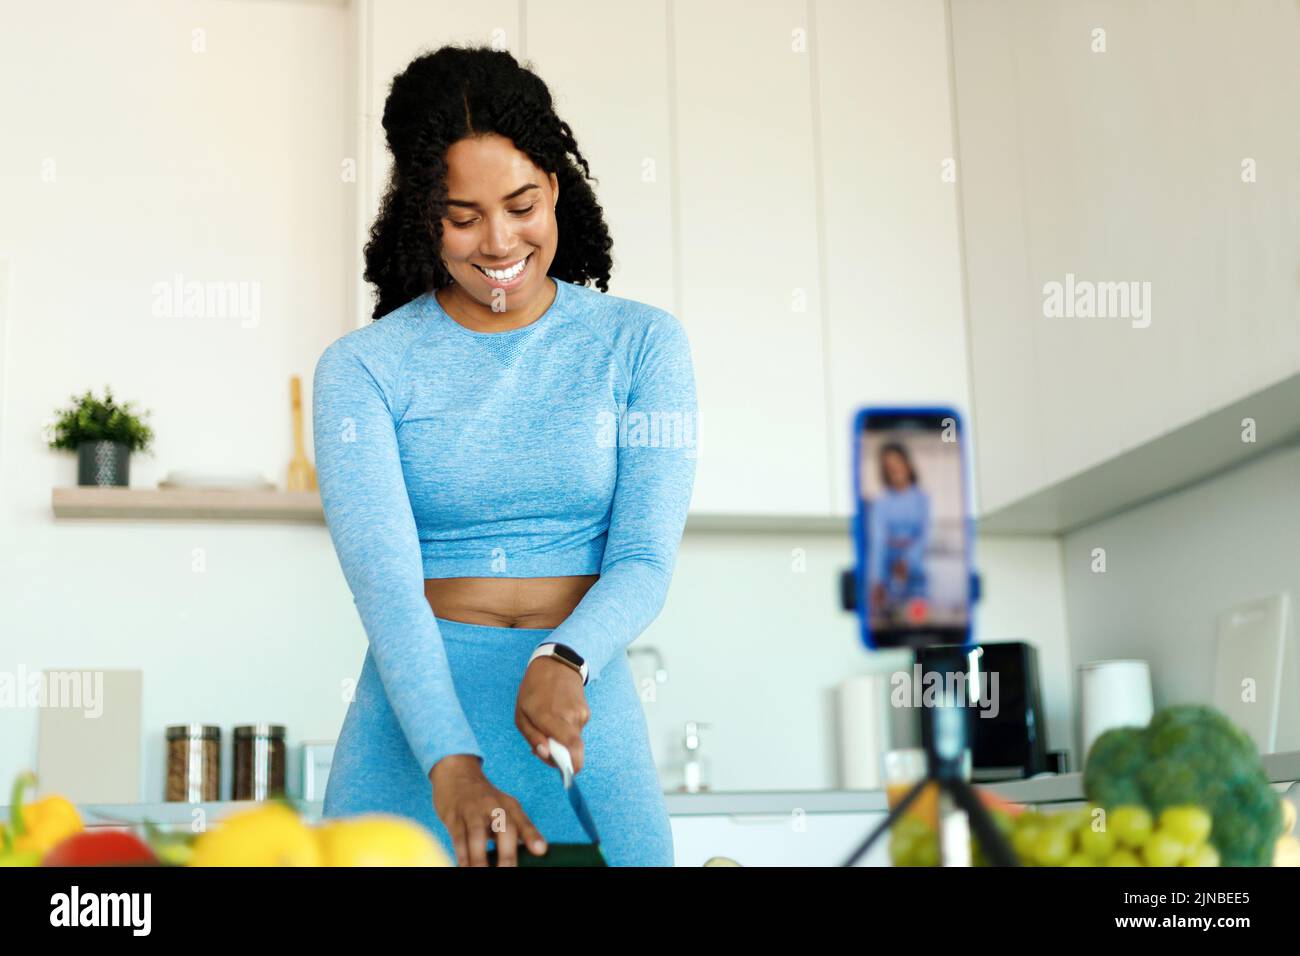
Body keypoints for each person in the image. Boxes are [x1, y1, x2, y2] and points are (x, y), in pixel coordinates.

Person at [312, 45, 697, 867]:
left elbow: (642, 558)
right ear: (425, 215)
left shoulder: (641, 346)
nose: (498, 242)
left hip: (576, 703)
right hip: (414, 729)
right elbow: (387, 592)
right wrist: (453, 767)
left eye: (522, 204)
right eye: (463, 216)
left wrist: (566, 655)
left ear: (556, 188)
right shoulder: (363, 369)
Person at [868, 442, 930, 620]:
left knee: (917, 617)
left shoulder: (922, 499)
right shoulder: (882, 502)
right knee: (889, 616)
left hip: (916, 569)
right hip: (888, 567)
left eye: (897, 464)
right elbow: (878, 540)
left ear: (907, 464)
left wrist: (908, 561)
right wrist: (877, 580)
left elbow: (925, 535)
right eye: (888, 467)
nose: (894, 470)